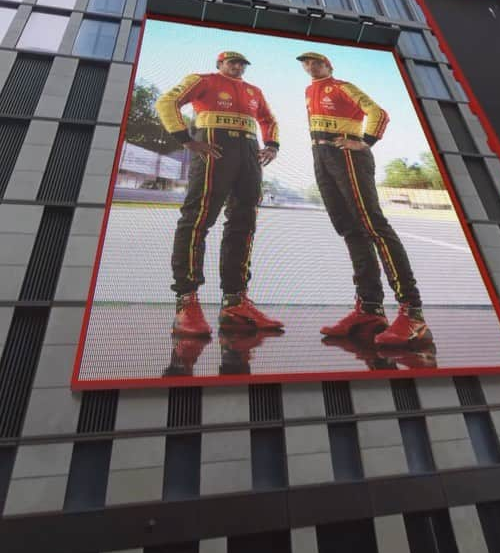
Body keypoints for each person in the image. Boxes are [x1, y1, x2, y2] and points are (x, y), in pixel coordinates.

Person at [297, 51, 430, 347]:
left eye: (316, 62)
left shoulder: (343, 85)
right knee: (349, 229)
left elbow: (378, 113)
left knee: (373, 225)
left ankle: (414, 314)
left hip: (346, 154)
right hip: (320, 155)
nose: (309, 67)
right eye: (305, 63)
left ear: (329, 64)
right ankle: (370, 309)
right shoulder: (309, 90)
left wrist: (363, 143)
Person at [156, 50, 282, 338]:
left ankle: (235, 302)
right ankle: (186, 302)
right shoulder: (203, 80)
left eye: (241, 63)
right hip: (214, 148)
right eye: (232, 62)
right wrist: (185, 140)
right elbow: (166, 102)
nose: (237, 67)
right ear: (220, 64)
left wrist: (273, 144)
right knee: (197, 220)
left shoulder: (254, 91)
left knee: (243, 223)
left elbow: (269, 120)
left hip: (249, 154)